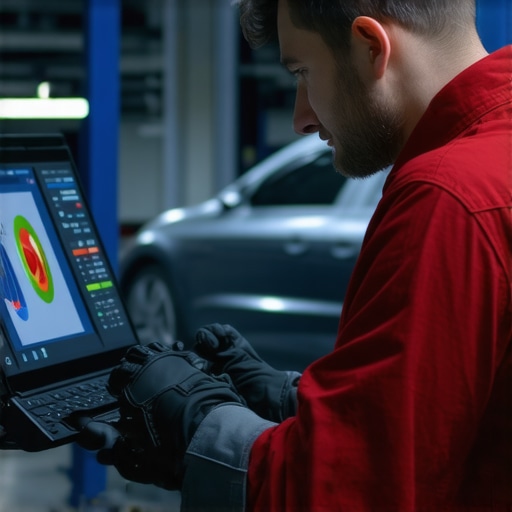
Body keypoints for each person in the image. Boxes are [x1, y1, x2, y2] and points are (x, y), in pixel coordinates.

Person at [79, 0, 512, 510]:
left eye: (303, 72)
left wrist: (197, 421)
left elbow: (348, 492)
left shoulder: (448, 198)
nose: (301, 118)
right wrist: (290, 400)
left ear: (371, 46)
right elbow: (460, 419)